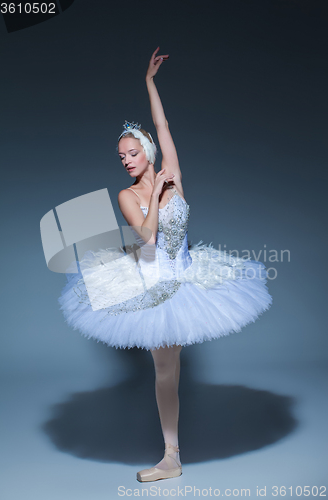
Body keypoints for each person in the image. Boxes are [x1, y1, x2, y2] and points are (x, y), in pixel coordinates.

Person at [58, 47, 273, 482]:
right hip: (152, 277)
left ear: (148, 151)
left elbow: (163, 125)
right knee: (164, 370)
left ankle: (172, 455)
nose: (126, 160)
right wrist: (155, 195)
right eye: (121, 156)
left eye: (132, 152)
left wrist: (150, 83)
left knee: (170, 369)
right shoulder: (128, 196)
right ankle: (170, 455)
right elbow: (149, 237)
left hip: (189, 273)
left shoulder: (171, 168)